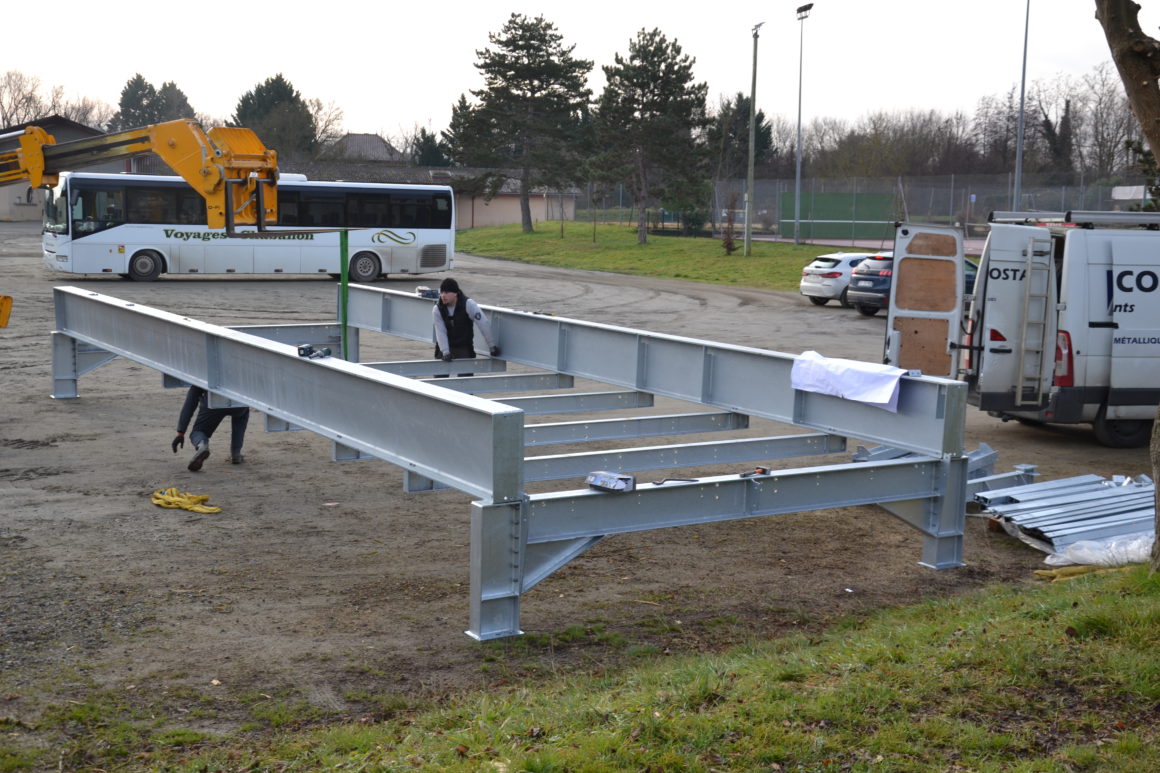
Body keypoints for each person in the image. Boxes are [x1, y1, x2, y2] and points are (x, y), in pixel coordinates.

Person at [171, 386, 251, 471]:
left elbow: (190, 403)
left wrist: (181, 432)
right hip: (239, 403)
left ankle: (202, 445)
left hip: (213, 402)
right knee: (242, 413)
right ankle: (236, 453)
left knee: (199, 431)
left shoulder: (202, 374)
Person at [432, 278, 499, 372]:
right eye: (442, 292)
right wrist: (445, 352)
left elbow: (483, 323)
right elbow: (440, 331)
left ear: (455, 293)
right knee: (439, 376)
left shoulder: (468, 304)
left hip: (463, 346)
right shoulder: (437, 309)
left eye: (447, 292)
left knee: (465, 378)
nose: (443, 295)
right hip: (444, 347)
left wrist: (492, 346)